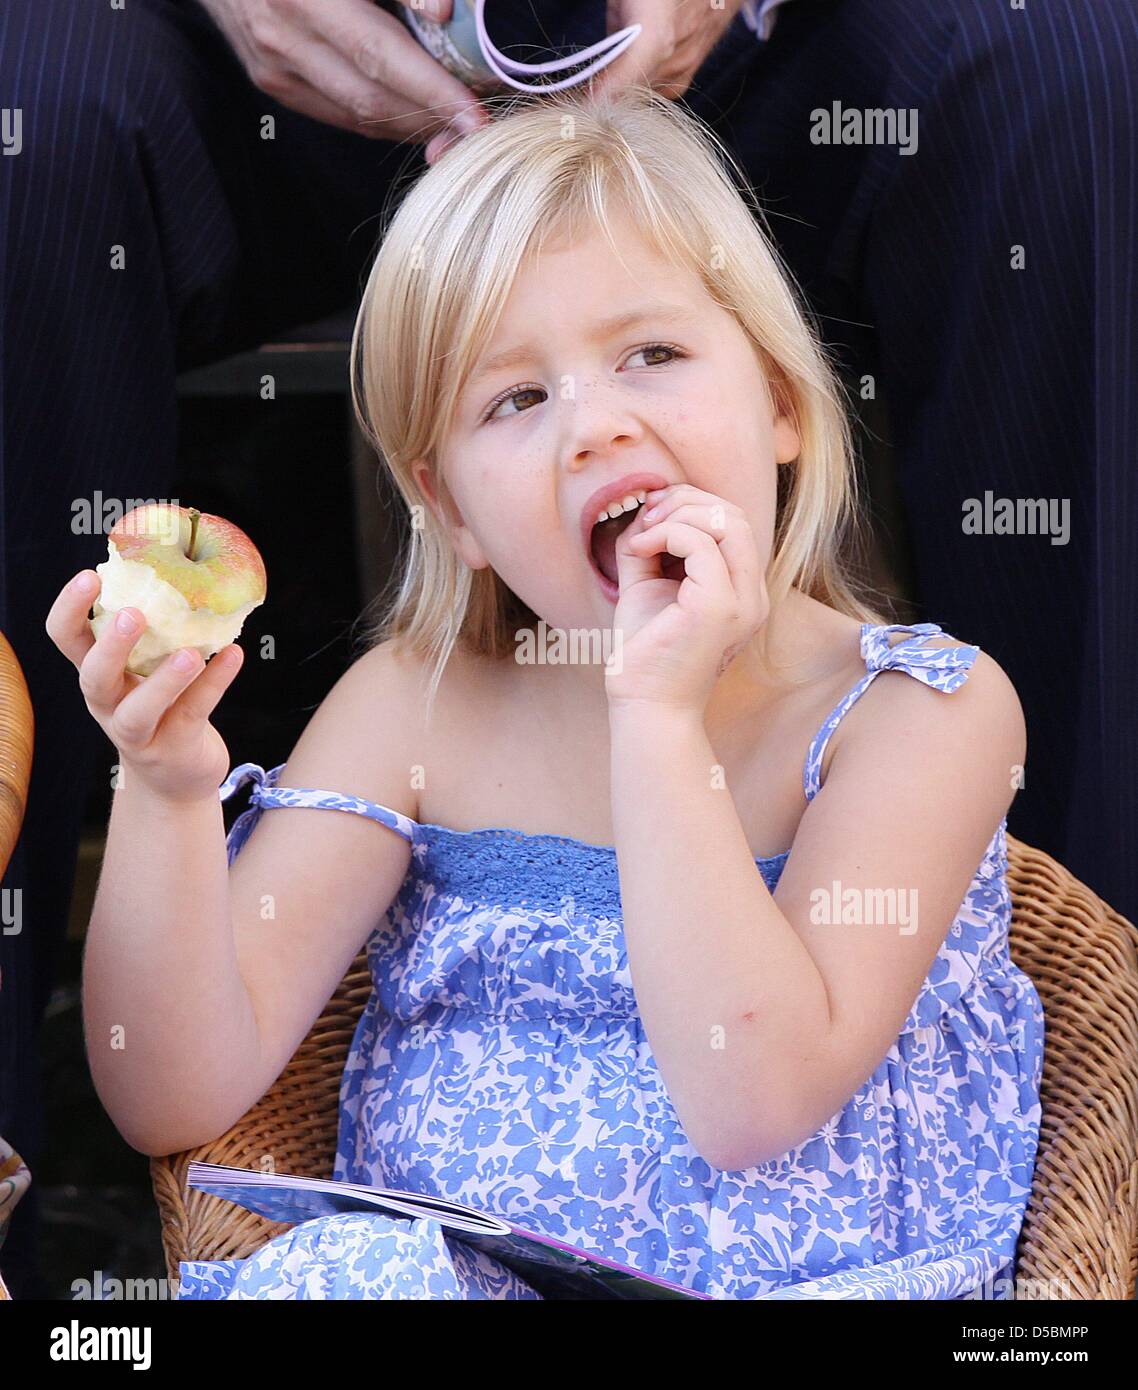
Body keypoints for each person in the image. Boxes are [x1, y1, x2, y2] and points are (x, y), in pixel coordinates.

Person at [47, 86, 1044, 1299]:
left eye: (653, 354)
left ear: (780, 402)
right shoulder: (415, 708)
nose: (592, 426)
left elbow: (754, 1100)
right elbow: (170, 1092)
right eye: (515, 399)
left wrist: (657, 716)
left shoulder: (920, 714)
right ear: (453, 509)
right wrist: (163, 787)